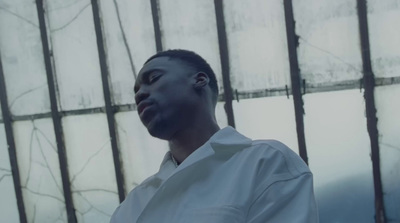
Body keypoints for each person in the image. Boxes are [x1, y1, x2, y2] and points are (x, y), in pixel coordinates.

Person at [110, 49, 318, 223]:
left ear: (199, 80)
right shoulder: (133, 204)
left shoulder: (264, 162)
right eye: (136, 91)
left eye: (153, 79)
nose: (139, 94)